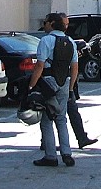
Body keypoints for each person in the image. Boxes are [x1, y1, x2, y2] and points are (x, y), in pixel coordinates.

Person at [28, 12, 79, 167]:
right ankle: (67, 153)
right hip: (65, 82)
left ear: (51, 24)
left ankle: (50, 155)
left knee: (47, 119)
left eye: (45, 22)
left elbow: (40, 65)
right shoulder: (70, 41)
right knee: (62, 119)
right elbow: (74, 67)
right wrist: (70, 88)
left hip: (48, 82)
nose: (44, 25)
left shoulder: (46, 40)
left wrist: (31, 85)